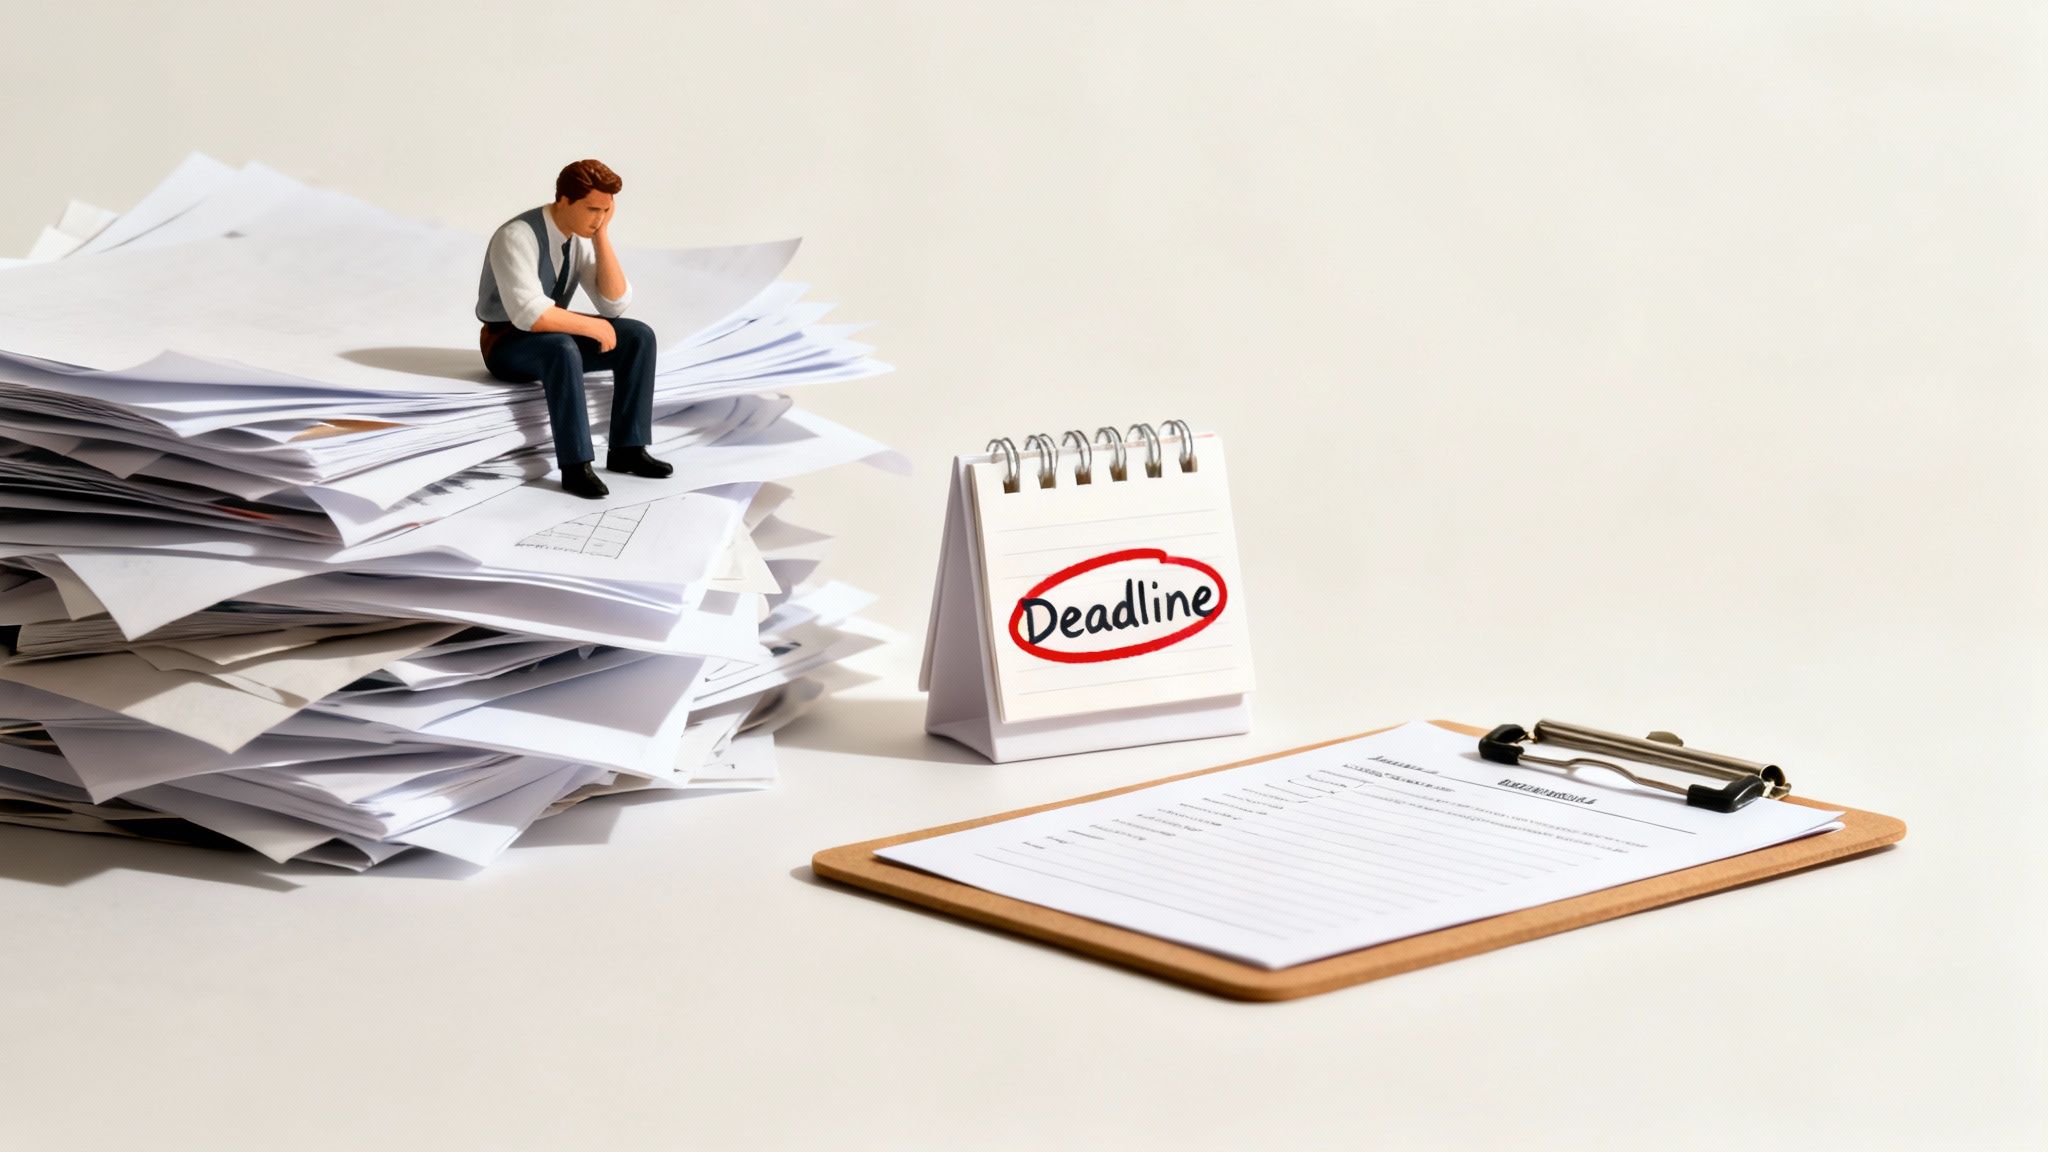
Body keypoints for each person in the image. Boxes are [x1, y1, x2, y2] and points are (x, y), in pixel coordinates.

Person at [475, 158, 672, 498]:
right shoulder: (517, 236)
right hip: (507, 342)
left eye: (606, 212)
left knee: (638, 337)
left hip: (549, 335)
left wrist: (602, 237)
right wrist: (590, 328)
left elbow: (613, 303)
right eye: (593, 209)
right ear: (564, 200)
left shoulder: (580, 238)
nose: (598, 219)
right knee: (562, 349)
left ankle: (628, 448)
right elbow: (527, 314)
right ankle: (576, 465)